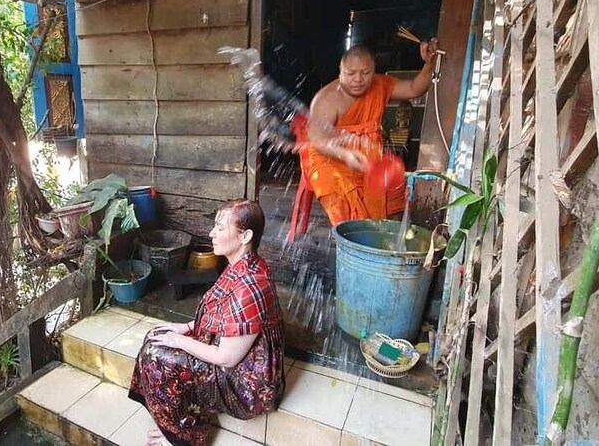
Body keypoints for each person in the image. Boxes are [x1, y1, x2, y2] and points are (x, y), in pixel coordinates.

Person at [128, 199, 285, 446]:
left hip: (247, 385)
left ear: (245, 237)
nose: (212, 233)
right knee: (156, 336)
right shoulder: (242, 264)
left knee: (157, 354)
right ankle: (178, 425)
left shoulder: (251, 284)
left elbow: (227, 358)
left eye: (221, 228)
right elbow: (222, 315)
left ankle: (182, 438)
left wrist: (179, 340)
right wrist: (187, 328)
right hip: (233, 355)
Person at [288, 42, 440, 240]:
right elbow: (317, 141)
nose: (358, 80)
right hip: (329, 158)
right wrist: (345, 154)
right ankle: (353, 240)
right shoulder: (327, 98)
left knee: (393, 185)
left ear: (374, 71)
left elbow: (414, 88)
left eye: (365, 73)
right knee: (337, 191)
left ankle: (386, 237)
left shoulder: (380, 85)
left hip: (366, 155)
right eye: (351, 74)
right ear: (340, 71)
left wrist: (429, 63)